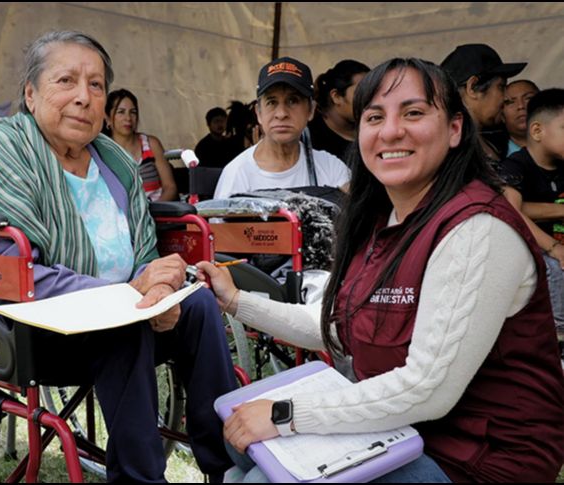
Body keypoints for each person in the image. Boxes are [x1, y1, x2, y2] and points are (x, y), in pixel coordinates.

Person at [198, 58, 564, 482]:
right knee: (241, 444)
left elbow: (427, 389)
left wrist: (285, 414)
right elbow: (338, 327)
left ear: (455, 129)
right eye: (375, 116)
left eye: (413, 112)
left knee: (265, 476)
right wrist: (237, 301)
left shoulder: (477, 229)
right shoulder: (382, 222)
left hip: (480, 458)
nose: (391, 131)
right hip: (412, 431)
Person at [0, 30, 236, 482]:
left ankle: (226, 465)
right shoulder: (3, 151)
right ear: (31, 95)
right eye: (66, 81)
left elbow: (145, 254)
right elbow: (13, 271)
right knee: (121, 324)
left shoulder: (114, 162)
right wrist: (128, 295)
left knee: (200, 307)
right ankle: (141, 478)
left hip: (121, 315)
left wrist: (162, 287)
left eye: (96, 85)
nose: (83, 97)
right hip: (28, 329)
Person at [214, 57, 350, 199]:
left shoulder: (332, 169)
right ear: (259, 113)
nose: (281, 114)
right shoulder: (237, 174)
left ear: (311, 110)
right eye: (272, 102)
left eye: (293, 101)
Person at [501, 88, 564, 336]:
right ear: (537, 131)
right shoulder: (517, 166)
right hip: (536, 249)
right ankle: (559, 334)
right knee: (553, 267)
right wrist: (552, 247)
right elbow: (511, 212)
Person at [441, 43, 526, 162]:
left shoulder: (489, 141)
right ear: (472, 87)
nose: (507, 98)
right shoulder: (449, 147)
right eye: (501, 87)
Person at [104, 88, 178, 201]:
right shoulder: (103, 150)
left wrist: (153, 213)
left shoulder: (151, 144)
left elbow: (170, 187)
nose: (128, 118)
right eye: (121, 112)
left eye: (133, 112)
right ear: (108, 119)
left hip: (158, 214)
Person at [309, 59, 370, 162]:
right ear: (336, 96)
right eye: (361, 92)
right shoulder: (308, 139)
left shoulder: (373, 132)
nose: (370, 99)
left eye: (372, 92)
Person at [502, 79, 540, 156]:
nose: (521, 106)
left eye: (528, 98)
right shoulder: (496, 158)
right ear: (501, 115)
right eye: (510, 102)